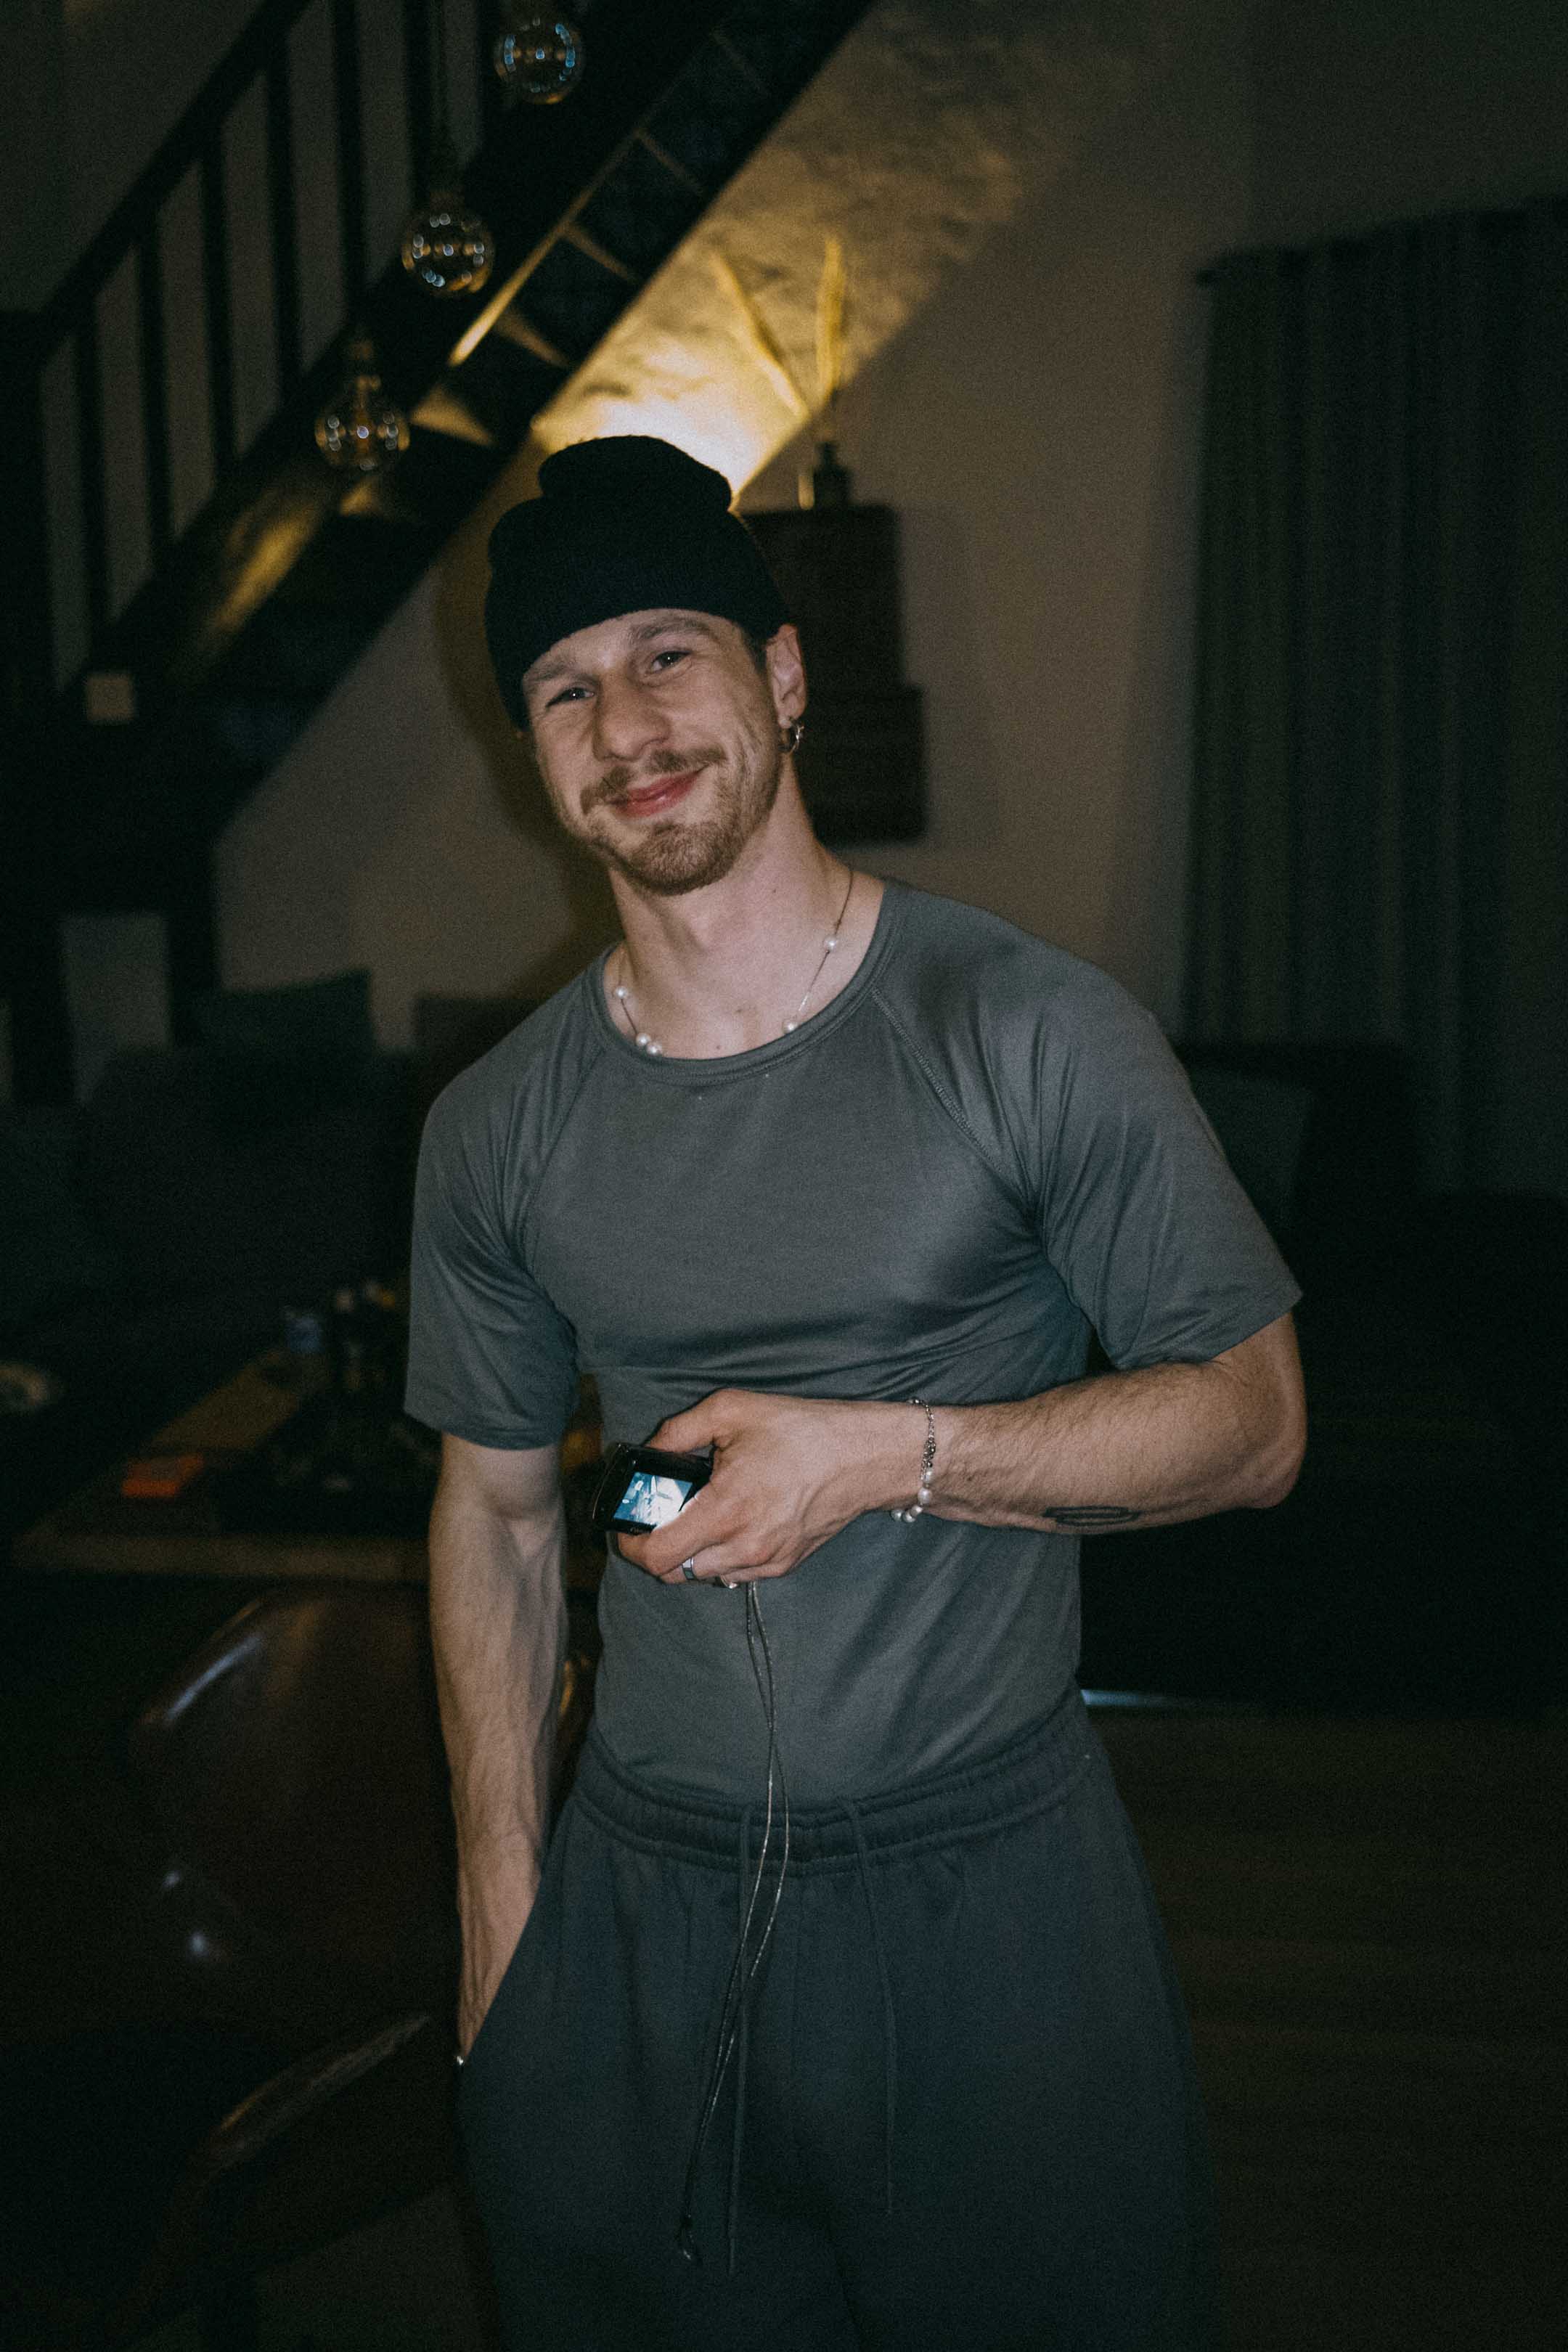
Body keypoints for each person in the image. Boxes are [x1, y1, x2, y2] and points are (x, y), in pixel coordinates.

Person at [405, 434, 1306, 2351]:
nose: (624, 723)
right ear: (532, 751)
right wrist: (500, 1906)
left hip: (990, 1900)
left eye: (669, 653)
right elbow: (494, 1511)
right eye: (563, 687)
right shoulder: (495, 1127)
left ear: (787, 674)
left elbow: (1255, 1421)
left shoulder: (1028, 1030)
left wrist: (886, 1457)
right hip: (635, 1914)